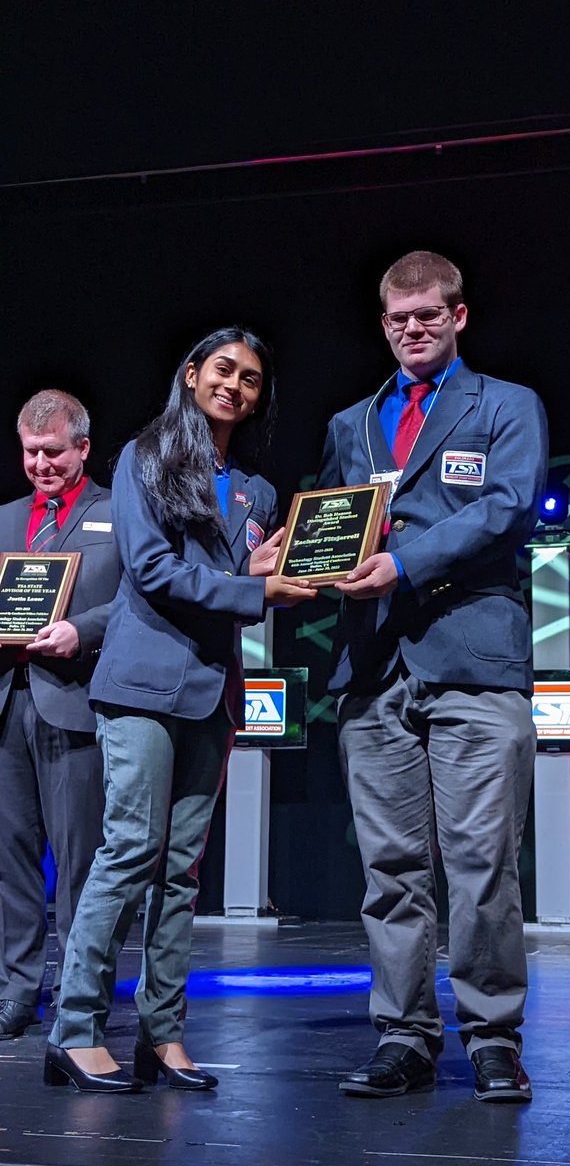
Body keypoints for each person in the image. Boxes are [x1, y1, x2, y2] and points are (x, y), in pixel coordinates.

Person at [45, 327, 317, 1093]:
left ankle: (161, 1035)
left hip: (212, 689)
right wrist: (254, 587)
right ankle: (74, 1031)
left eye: (251, 378)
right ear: (192, 374)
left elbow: (232, 583)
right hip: (141, 683)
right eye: (222, 369)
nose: (234, 385)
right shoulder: (144, 459)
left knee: (180, 872)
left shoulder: (257, 490)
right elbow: (154, 571)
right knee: (130, 850)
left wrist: (278, 572)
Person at [316, 251, 548, 1102]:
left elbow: (506, 507)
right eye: (398, 318)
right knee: (390, 868)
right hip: (374, 666)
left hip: (472, 659)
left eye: (427, 315)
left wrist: (404, 564)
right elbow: (336, 524)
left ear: (457, 317)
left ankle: (491, 1038)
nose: (412, 329)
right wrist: (302, 560)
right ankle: (404, 1036)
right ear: (382, 325)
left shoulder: (506, 405)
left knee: (482, 861)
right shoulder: (351, 423)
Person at [0, 390, 120, 1041]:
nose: (41, 465)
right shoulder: (4, 519)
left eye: (52, 452)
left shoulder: (117, 513)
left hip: (75, 701)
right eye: (30, 453)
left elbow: (138, 599)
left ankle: (78, 997)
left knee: (79, 861)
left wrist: (83, 630)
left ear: (83, 448)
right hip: (7, 702)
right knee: (11, 857)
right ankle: (17, 990)